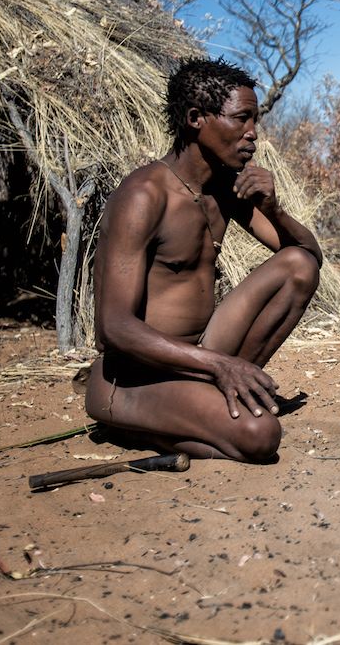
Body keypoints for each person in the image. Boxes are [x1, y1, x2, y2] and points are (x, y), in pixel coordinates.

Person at [85, 57, 323, 462]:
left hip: (200, 356)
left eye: (255, 122)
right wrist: (217, 365)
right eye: (241, 119)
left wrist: (274, 208)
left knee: (298, 267)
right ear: (196, 118)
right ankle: (137, 421)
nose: (253, 135)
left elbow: (309, 255)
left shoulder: (225, 191)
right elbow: (113, 328)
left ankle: (206, 404)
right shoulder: (143, 196)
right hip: (133, 377)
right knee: (260, 433)